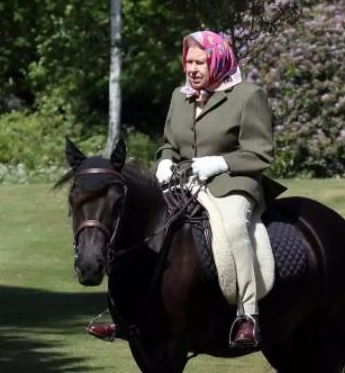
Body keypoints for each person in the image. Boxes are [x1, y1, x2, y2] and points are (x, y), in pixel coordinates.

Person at [88, 30, 278, 347]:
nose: (192, 69)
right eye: (189, 62)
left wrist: (220, 163)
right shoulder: (181, 95)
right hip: (183, 183)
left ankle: (247, 315)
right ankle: (124, 317)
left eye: (200, 62)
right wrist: (164, 160)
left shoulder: (247, 95)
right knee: (135, 225)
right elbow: (170, 145)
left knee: (233, 229)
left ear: (217, 60)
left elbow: (261, 152)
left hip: (232, 183)